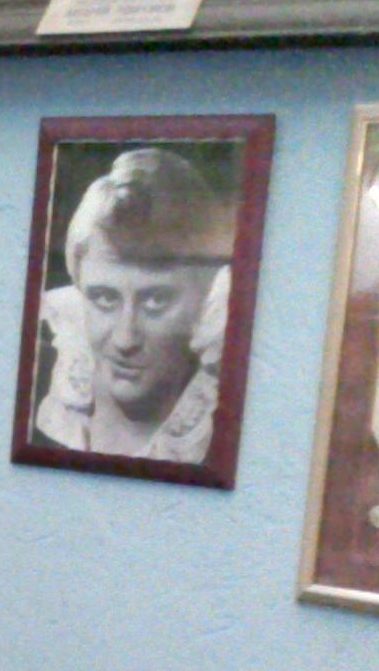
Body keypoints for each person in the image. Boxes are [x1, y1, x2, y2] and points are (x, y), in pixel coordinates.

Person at [31, 147, 233, 464]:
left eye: (155, 300)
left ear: (205, 298)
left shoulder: (226, 433)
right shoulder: (38, 390)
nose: (125, 339)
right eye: (104, 298)